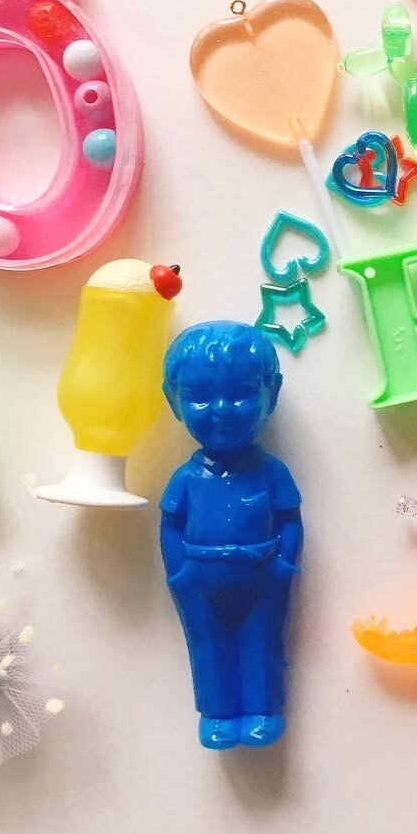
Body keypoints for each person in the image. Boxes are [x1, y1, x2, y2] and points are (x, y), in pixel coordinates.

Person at [159, 321, 302, 749]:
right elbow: (170, 525)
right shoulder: (186, 478)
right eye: (200, 396)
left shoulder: (271, 472)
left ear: (272, 393)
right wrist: (180, 574)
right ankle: (217, 714)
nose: (221, 409)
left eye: (241, 394)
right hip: (199, 579)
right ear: (173, 400)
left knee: (263, 642)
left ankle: (262, 709)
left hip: (262, 574)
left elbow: (290, 519)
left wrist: (283, 566)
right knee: (207, 646)